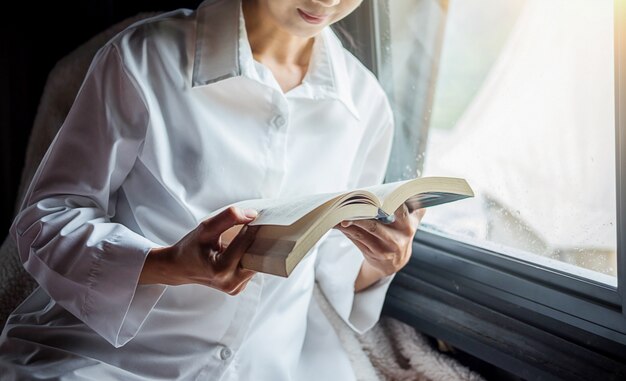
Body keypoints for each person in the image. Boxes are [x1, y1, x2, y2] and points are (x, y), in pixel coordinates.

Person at [0, 0, 424, 379]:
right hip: (108, 364)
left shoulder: (365, 105)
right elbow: (45, 221)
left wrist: (383, 261)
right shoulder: (144, 57)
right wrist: (167, 263)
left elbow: (337, 268)